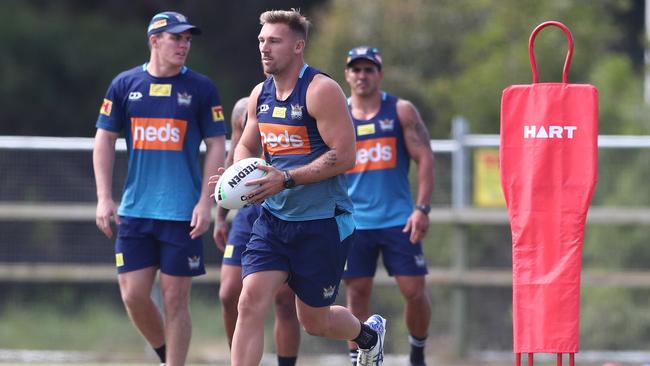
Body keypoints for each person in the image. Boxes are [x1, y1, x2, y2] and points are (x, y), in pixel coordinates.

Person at [208, 9, 386, 366]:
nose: (264, 48)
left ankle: (368, 336)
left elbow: (346, 155)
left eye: (274, 41)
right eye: (261, 40)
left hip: (322, 223)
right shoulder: (261, 94)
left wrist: (285, 178)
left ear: (298, 46)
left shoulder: (322, 90)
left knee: (314, 322)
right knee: (248, 300)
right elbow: (246, 144)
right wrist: (239, 174)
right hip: (273, 222)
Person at [93, 11, 226, 366]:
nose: (184, 45)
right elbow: (104, 138)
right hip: (135, 210)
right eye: (176, 38)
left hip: (182, 213)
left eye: (188, 40)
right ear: (154, 40)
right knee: (134, 295)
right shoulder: (124, 84)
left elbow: (217, 143)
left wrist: (205, 201)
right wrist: (104, 197)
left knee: (175, 299)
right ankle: (169, 355)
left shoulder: (200, 87)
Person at [342, 46, 434, 366]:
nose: (362, 75)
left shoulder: (400, 111)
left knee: (414, 290)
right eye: (356, 69)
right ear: (347, 74)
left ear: (380, 74)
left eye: (369, 69)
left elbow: (425, 158)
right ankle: (360, 358)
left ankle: (417, 353)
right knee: (357, 292)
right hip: (353, 221)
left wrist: (422, 208)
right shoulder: (337, 113)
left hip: (398, 219)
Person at [212, 96, 301, 366]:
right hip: (249, 211)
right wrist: (220, 215)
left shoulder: (302, 103)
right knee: (229, 294)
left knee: (284, 301)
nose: (268, 52)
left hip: (286, 208)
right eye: (265, 49)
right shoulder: (244, 106)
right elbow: (235, 157)